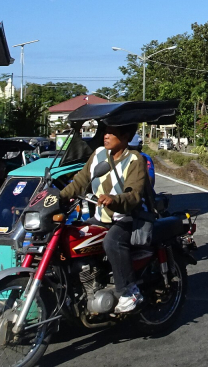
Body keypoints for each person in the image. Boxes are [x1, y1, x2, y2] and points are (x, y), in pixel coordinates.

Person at [60, 123, 150, 313]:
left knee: (112, 242)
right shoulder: (99, 154)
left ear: (125, 137)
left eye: (112, 132)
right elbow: (80, 182)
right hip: (101, 218)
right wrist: (57, 198)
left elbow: (134, 194)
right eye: (105, 132)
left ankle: (128, 291)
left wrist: (114, 199)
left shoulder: (135, 159)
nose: (105, 136)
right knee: (74, 236)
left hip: (126, 217)